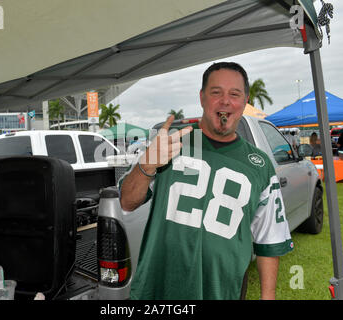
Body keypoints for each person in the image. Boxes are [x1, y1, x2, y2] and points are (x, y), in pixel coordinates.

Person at [119, 62, 293, 300]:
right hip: (157, 292)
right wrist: (146, 165)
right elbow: (127, 201)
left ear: (245, 101)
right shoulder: (169, 146)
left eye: (234, 94)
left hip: (222, 292)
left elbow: (269, 241)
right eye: (216, 92)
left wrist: (268, 297)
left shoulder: (260, 165)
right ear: (202, 98)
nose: (225, 101)